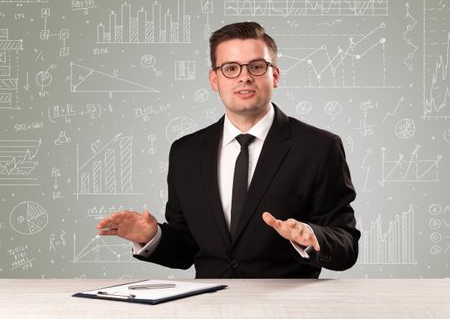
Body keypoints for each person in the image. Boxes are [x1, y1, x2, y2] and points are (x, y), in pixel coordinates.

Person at [97, 22, 360, 278]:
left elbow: (346, 245)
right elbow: (186, 251)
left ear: (275, 75)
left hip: (286, 311)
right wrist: (152, 237)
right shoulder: (185, 153)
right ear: (214, 79)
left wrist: (311, 236)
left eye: (256, 67)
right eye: (231, 68)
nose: (244, 76)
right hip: (208, 309)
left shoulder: (319, 147)